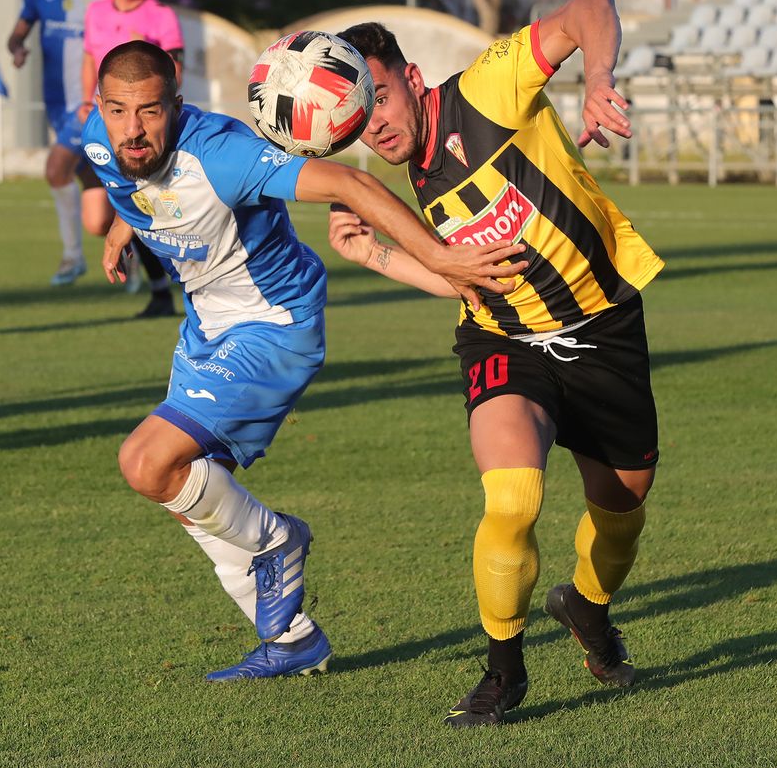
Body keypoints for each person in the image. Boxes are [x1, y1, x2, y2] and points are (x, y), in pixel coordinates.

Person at [84, 40, 524, 681]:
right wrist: (130, 222)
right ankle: (292, 639)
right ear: (99, 105)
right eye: (118, 111)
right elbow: (139, 182)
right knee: (190, 487)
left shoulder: (223, 155)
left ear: (176, 104)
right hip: (208, 328)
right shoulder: (105, 141)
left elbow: (351, 180)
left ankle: (278, 541)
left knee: (145, 462)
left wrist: (440, 257)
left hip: (273, 328)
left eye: (150, 112)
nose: (133, 129)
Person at [331, 0, 663, 726]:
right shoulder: (404, 171)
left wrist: (599, 76)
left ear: (412, 79)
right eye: (359, 110)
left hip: (602, 327)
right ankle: (503, 671)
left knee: (623, 515)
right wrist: (377, 255)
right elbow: (463, 275)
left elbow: (590, 8)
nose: (374, 121)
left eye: (380, 96)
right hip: (505, 337)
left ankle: (587, 608)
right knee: (513, 495)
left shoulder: (485, 89)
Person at [79, 0, 186, 318]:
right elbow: (91, 59)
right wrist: (85, 103)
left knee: (142, 203)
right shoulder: (94, 12)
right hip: (102, 128)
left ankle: (162, 289)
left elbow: (174, 68)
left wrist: (165, 113)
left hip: (141, 132)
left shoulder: (160, 15)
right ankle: (138, 238)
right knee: (95, 220)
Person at [5, 0, 114, 287]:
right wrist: (18, 50)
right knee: (95, 202)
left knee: (55, 169)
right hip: (56, 104)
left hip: (89, 105)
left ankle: (72, 257)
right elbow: (16, 34)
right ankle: (129, 248)